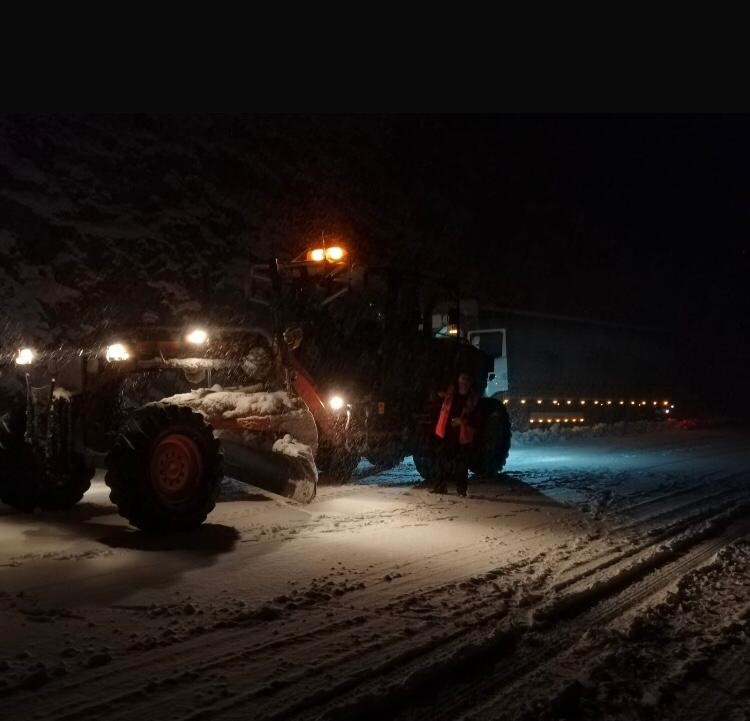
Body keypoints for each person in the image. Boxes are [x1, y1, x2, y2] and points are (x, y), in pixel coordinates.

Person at [431, 371, 479, 496]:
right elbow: (438, 405)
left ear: (470, 383)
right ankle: (440, 486)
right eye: (463, 379)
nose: (464, 382)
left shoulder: (473, 399)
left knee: (461, 463)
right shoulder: (450, 394)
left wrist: (463, 420)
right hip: (445, 433)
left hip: (461, 436)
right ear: (458, 380)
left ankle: (461, 489)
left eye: (467, 380)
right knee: (441, 460)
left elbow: (477, 418)